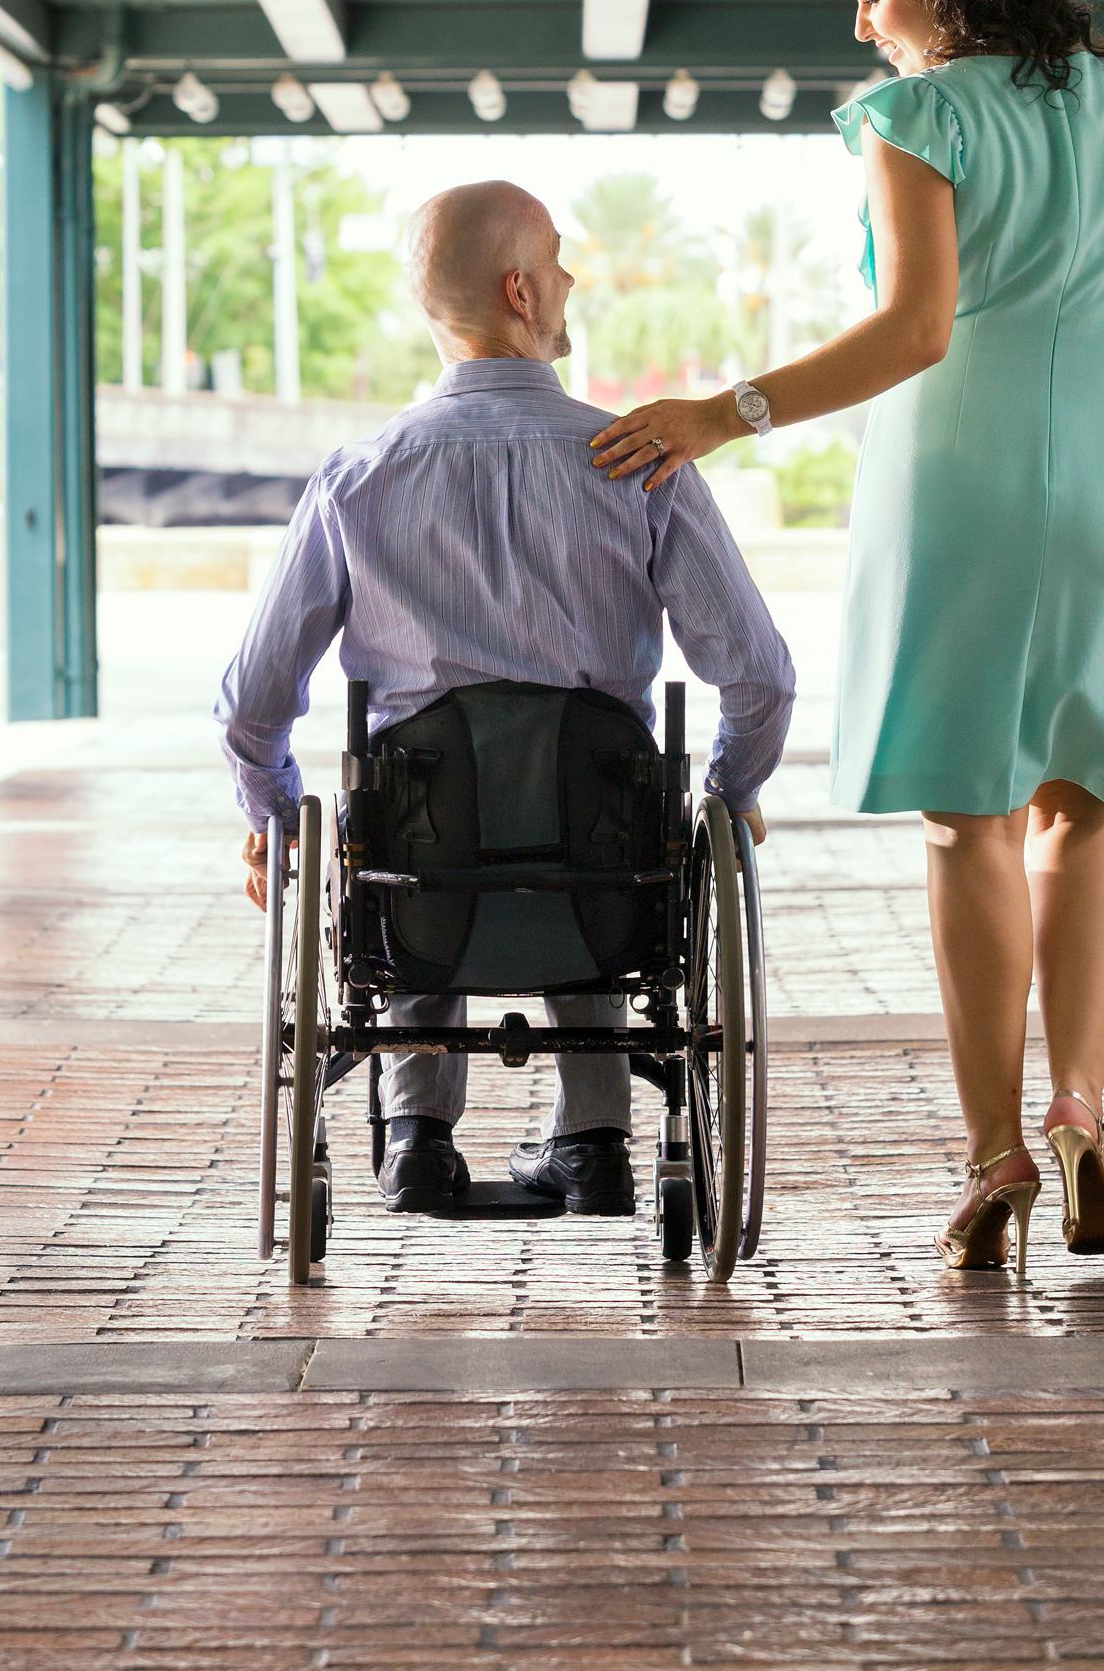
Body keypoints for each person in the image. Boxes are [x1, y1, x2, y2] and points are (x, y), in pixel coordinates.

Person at [591, 0, 1104, 1278]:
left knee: (969, 821)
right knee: (1090, 801)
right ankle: (1081, 1115)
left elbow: (917, 331)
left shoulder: (914, 115)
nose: (862, 25)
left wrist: (722, 413)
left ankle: (996, 1153)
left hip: (965, 484)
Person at [221, 178, 794, 1220]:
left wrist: (270, 815)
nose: (575, 278)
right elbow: (760, 676)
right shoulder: (640, 462)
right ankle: (596, 1139)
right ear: (522, 291)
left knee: (406, 798)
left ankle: (417, 1139)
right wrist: (729, 787)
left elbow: (253, 701)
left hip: (421, 874)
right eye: (562, 260)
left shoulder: (358, 476)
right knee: (605, 798)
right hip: (603, 871)